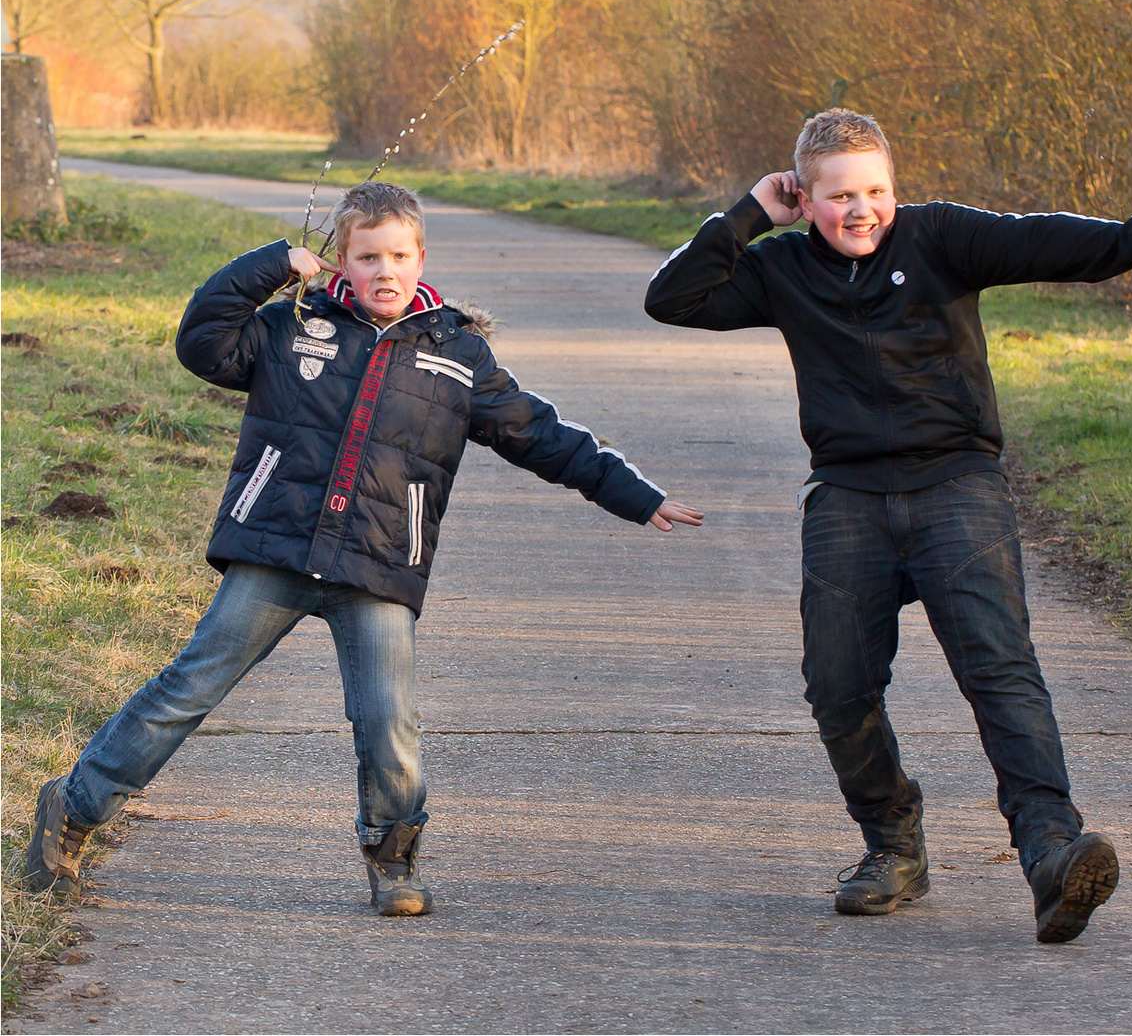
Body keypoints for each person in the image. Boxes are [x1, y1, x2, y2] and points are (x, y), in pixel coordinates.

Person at [645, 108, 1132, 943]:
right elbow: (672, 296)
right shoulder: (782, 267)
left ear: (895, 187)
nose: (861, 211)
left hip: (955, 484)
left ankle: (1051, 851)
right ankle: (892, 844)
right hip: (848, 495)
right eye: (838, 196)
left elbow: (1049, 242)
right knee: (838, 683)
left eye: (876, 191)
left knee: (998, 668)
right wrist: (749, 214)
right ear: (804, 196)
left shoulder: (941, 239)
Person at [27, 181, 703, 917]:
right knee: (189, 688)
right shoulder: (291, 329)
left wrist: (636, 496)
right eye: (368, 256)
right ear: (339, 262)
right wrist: (270, 267)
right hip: (276, 553)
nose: (386, 271)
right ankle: (73, 808)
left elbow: (541, 436)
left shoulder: (457, 355)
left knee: (388, 719)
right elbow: (202, 341)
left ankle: (393, 857)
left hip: (378, 566)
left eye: (400, 255)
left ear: (421, 258)